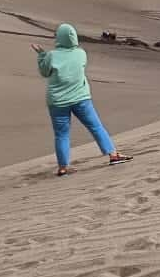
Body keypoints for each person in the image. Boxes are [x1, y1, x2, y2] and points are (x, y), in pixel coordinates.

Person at [32, 24, 132, 176]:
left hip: (58, 102)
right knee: (96, 127)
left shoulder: (51, 56)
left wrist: (41, 55)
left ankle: (63, 167)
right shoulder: (81, 53)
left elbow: (44, 72)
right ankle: (112, 154)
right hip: (81, 98)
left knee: (61, 135)